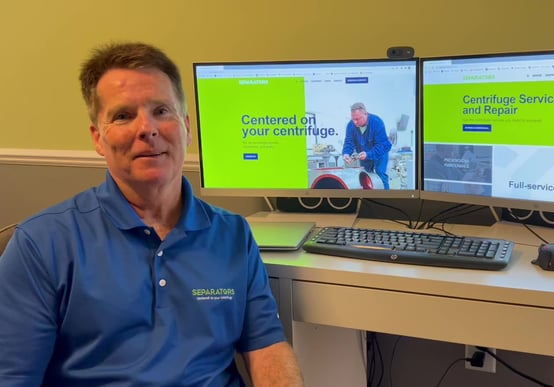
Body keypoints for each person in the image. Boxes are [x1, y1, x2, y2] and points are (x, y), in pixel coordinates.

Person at [0, 42, 304, 386]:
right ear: (98, 139)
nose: (147, 128)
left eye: (162, 111)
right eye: (123, 115)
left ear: (187, 128)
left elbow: (266, 346)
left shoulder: (232, 234)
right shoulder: (41, 244)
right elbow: (13, 377)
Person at [342, 102, 392, 189]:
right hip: (363, 154)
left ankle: (385, 197)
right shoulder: (351, 125)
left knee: (380, 174)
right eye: (353, 119)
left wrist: (368, 154)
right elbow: (348, 142)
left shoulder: (377, 122)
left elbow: (381, 145)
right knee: (365, 176)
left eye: (357, 119)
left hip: (380, 152)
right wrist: (346, 153)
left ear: (365, 114)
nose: (354, 122)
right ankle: (369, 199)